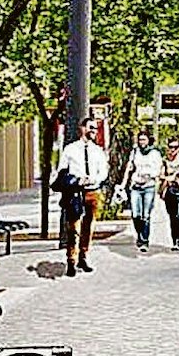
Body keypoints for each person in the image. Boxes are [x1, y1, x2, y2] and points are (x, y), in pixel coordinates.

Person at [56, 117, 109, 276]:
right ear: (82, 128)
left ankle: (83, 256)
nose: (93, 131)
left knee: (89, 226)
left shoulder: (97, 150)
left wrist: (95, 179)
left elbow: (104, 171)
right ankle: (71, 259)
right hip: (75, 192)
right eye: (90, 128)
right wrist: (77, 179)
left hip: (93, 191)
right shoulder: (70, 149)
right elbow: (62, 170)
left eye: (95, 128)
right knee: (73, 228)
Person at [120, 132, 164, 252]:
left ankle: (144, 240)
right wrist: (123, 185)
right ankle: (139, 234)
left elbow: (159, 169)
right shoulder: (135, 152)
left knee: (145, 215)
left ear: (149, 140)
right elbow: (129, 168)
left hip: (149, 186)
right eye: (140, 140)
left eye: (144, 140)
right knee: (135, 214)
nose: (142, 142)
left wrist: (150, 174)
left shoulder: (155, 153)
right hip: (136, 186)